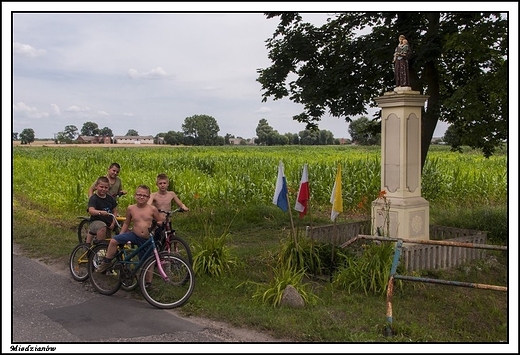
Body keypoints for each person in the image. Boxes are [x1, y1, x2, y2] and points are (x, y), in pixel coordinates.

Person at [96, 185, 163, 278]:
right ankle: (107, 261)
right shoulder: (131, 208)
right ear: (135, 195)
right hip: (134, 234)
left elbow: (160, 221)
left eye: (144, 195)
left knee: (148, 261)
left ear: (148, 197)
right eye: (139, 194)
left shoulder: (152, 209)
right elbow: (127, 223)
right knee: (114, 240)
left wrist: (155, 227)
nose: (141, 197)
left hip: (146, 238)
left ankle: (148, 283)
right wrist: (121, 234)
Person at [86, 176, 118, 244]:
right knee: (102, 227)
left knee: (123, 226)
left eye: (106, 188)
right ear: (96, 186)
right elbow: (91, 210)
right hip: (96, 222)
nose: (103, 189)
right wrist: (100, 212)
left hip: (108, 223)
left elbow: (115, 211)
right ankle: (100, 248)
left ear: (108, 188)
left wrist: (113, 222)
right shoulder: (94, 198)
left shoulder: (110, 198)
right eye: (101, 187)